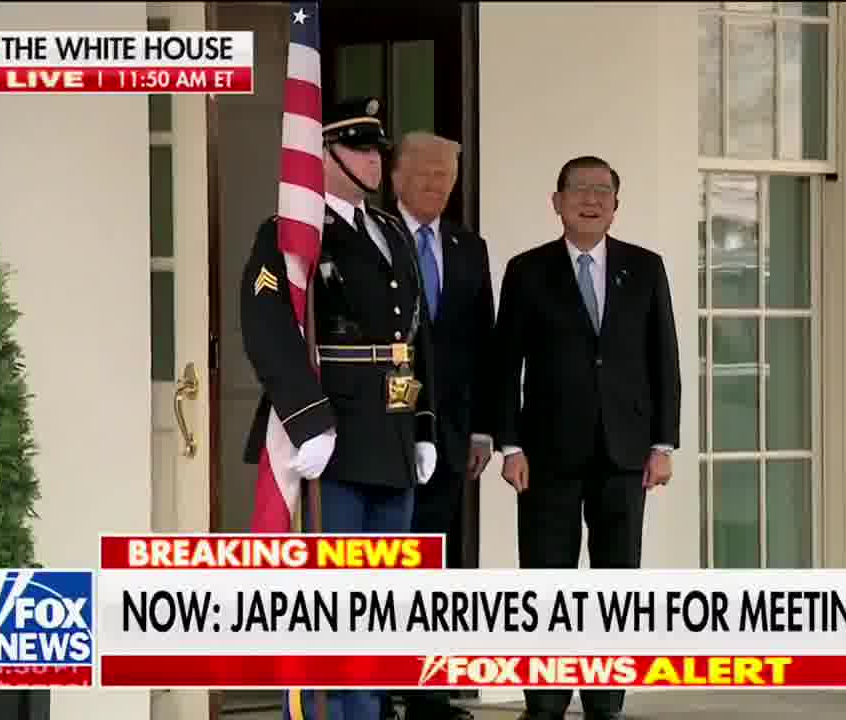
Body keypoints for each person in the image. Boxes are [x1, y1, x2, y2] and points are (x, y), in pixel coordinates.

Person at [240, 96, 439, 720]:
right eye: (357, 148)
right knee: (337, 604)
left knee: (382, 607)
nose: (374, 161)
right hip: (333, 438)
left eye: (377, 149)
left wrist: (425, 425)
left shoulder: (389, 232)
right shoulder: (291, 233)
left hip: (393, 441)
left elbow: (416, 336)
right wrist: (307, 418)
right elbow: (267, 327)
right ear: (321, 154)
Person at [493, 156, 681, 720]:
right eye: (579, 190)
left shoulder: (644, 268)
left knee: (617, 582)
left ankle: (605, 700)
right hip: (546, 453)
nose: (591, 199)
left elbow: (663, 359)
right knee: (546, 580)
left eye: (603, 191)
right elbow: (505, 364)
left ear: (616, 206)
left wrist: (663, 445)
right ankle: (545, 701)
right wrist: (510, 445)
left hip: (625, 452)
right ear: (557, 201)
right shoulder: (527, 271)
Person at [387, 132, 495, 720]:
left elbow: (484, 343)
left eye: (447, 176)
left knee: (437, 562)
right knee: (384, 563)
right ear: (396, 177)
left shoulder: (469, 246)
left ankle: (429, 696)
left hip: (451, 434)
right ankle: (375, 694)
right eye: (426, 174)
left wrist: (482, 430)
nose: (438, 185)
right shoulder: (371, 236)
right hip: (384, 427)